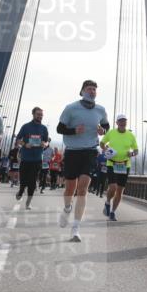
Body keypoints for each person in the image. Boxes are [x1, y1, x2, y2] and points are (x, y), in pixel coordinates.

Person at [56, 80, 110, 241]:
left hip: (90, 151)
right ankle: (67, 208)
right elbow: (59, 128)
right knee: (69, 189)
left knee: (83, 189)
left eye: (94, 89)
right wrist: (74, 130)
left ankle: (75, 228)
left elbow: (106, 126)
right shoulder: (71, 108)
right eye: (89, 89)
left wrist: (103, 131)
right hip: (72, 152)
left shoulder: (101, 110)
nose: (92, 91)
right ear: (82, 91)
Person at [100, 114, 139, 221]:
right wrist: (106, 149)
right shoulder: (111, 132)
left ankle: (113, 212)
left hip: (125, 165)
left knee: (120, 191)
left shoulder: (130, 135)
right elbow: (102, 143)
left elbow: (136, 150)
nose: (122, 123)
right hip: (112, 163)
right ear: (117, 123)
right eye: (120, 121)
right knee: (113, 187)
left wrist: (132, 154)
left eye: (124, 121)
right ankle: (107, 202)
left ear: (126, 122)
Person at [14, 107, 50, 209]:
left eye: (41, 115)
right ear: (33, 114)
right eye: (38, 114)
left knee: (32, 182)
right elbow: (18, 139)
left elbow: (47, 141)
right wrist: (25, 144)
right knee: (23, 181)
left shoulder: (44, 128)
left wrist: (44, 144)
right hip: (25, 158)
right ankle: (21, 191)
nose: (40, 116)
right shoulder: (26, 126)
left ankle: (28, 202)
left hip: (37, 159)